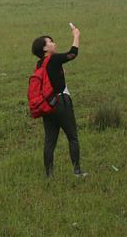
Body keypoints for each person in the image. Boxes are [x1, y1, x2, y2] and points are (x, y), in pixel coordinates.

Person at [31, 23, 86, 178]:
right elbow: (72, 54)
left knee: (50, 142)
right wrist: (76, 35)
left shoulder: (39, 64)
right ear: (44, 49)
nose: (53, 43)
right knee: (73, 138)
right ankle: (77, 172)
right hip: (62, 103)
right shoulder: (53, 59)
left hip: (48, 106)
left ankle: (49, 175)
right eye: (50, 42)